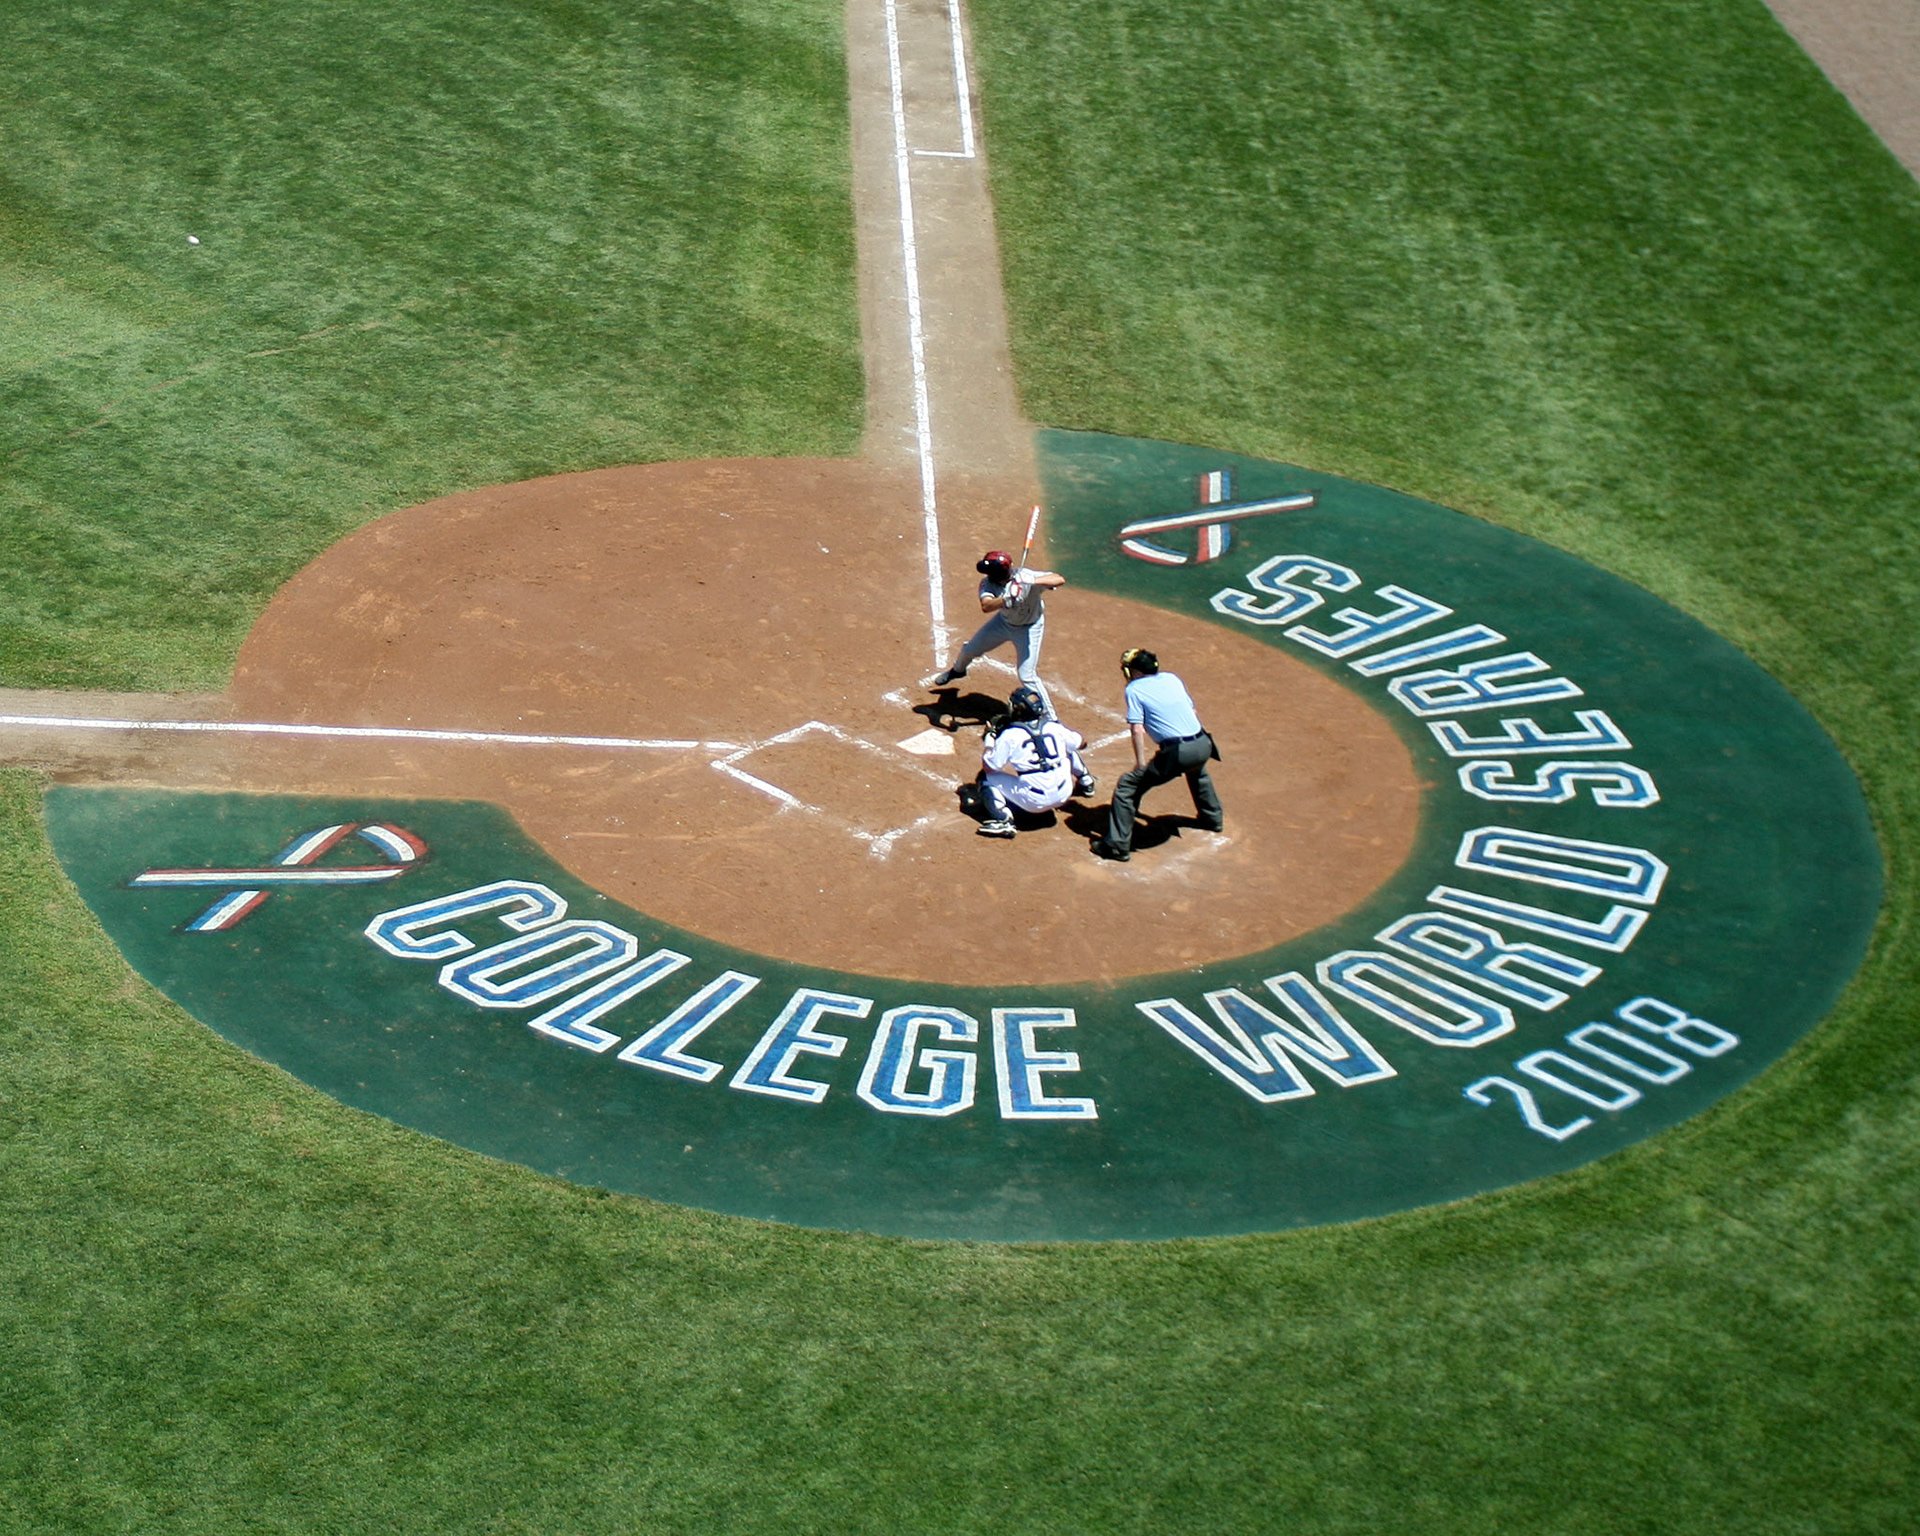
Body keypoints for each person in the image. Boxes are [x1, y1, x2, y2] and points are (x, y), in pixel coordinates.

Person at [1092, 648, 1224, 862]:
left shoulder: (1134, 690)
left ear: (1134, 671)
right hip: (1203, 743)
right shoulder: (1172, 678)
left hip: (1178, 751)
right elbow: (1193, 712)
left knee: (1128, 786)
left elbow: (1137, 728)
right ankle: (1213, 818)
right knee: (1197, 771)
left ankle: (1116, 846)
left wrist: (1141, 763)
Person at [928, 548, 1065, 717]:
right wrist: (1007, 598)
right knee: (969, 650)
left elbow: (1059, 579)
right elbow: (986, 606)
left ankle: (1051, 719)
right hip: (1003, 624)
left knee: (1027, 675)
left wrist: (1032, 581)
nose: (987, 575)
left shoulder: (1025, 576)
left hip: (1030, 629)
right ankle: (958, 670)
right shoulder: (987, 584)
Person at [974, 687, 1097, 838]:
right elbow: (1081, 743)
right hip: (1065, 793)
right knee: (1067, 748)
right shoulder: (1053, 727)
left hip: (1034, 802)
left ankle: (1004, 820)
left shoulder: (1010, 735)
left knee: (984, 778)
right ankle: (1086, 782)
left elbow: (990, 767)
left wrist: (989, 739)